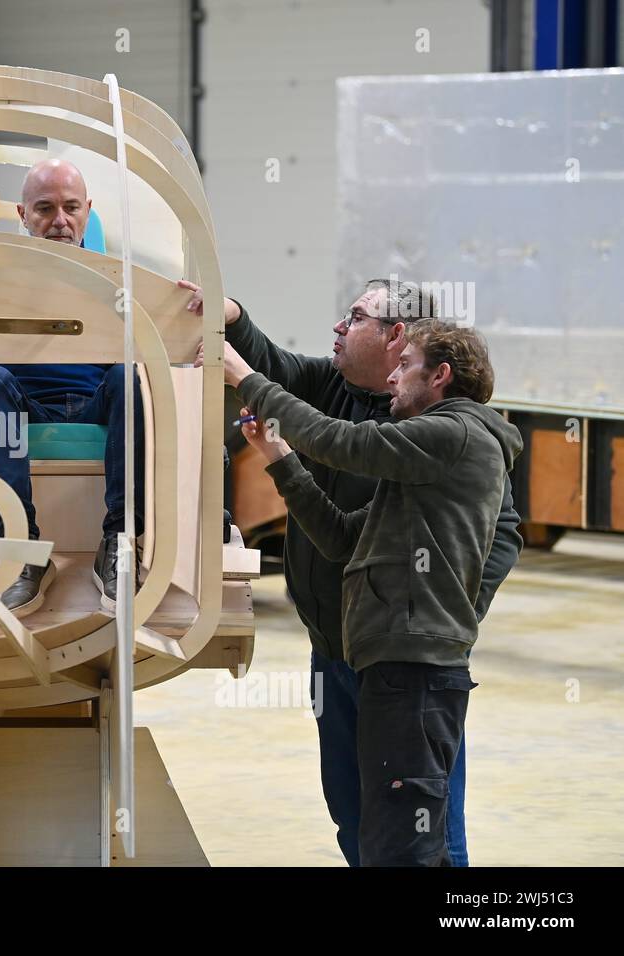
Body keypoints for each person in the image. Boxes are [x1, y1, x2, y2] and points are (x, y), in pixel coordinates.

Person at [186, 277, 521, 865]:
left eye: (356, 317)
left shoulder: (450, 432)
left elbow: (335, 440)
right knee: (361, 817)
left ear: (401, 341)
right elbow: (342, 532)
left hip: (411, 658)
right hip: (345, 646)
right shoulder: (339, 389)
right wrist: (280, 458)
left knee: (420, 833)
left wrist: (447, 607)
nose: (340, 328)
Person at [0, 159, 144, 615]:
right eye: (45, 209)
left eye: (71, 207)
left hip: (97, 403)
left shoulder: (119, 281)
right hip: (24, 406)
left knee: (130, 375)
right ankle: (19, 548)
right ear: (22, 215)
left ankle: (120, 541)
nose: (60, 221)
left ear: (88, 210)